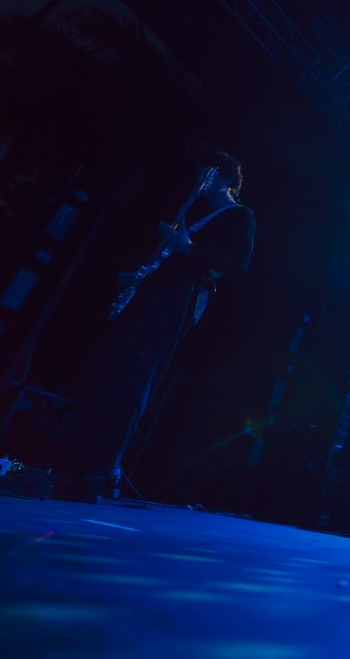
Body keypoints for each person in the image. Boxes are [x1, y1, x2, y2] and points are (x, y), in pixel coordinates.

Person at [61, 151, 255, 501]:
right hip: (154, 290)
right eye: (200, 174)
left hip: (181, 295)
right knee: (105, 369)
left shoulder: (239, 216)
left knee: (134, 379)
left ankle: (100, 471)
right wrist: (142, 275)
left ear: (228, 178)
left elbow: (237, 265)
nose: (201, 181)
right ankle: (82, 461)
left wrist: (189, 249)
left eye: (210, 175)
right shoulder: (193, 211)